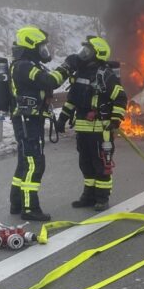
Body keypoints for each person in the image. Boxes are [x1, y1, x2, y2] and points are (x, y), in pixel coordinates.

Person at [9, 26, 75, 221]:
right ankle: (30, 208)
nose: (43, 50)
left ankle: (17, 203)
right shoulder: (24, 66)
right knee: (34, 163)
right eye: (41, 46)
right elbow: (49, 81)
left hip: (29, 119)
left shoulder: (28, 65)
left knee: (25, 162)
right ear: (30, 46)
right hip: (27, 120)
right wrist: (67, 66)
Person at [57, 36, 127, 212]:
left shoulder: (105, 75)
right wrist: (62, 119)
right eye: (83, 50)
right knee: (85, 163)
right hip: (82, 129)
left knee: (101, 164)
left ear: (98, 54)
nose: (82, 54)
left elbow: (120, 97)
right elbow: (72, 100)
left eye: (87, 51)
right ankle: (88, 196)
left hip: (100, 130)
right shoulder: (80, 73)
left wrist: (115, 120)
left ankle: (102, 198)